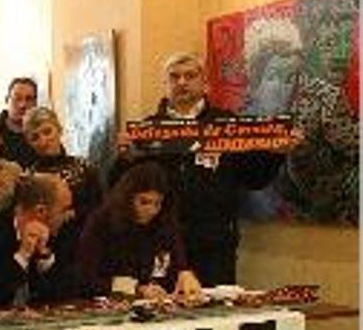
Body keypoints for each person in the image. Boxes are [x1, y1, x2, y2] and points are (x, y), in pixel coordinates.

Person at [110, 52, 289, 285]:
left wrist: (276, 154)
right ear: (166, 85)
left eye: (190, 76)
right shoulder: (147, 131)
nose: (182, 82)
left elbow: (254, 178)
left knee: (213, 314)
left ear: (205, 83)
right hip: (158, 242)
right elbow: (118, 189)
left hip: (214, 244)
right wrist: (124, 158)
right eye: (174, 77)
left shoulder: (226, 125)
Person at [77, 161, 202, 300]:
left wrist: (185, 275)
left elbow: (178, 264)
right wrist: (135, 289)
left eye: (157, 203)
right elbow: (87, 279)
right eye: (144, 202)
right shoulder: (101, 222)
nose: (151, 210)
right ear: (127, 198)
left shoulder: (164, 222)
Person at [0, 174, 81, 308]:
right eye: (64, 209)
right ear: (41, 211)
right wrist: (22, 256)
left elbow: (70, 293)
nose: (71, 215)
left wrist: (45, 258)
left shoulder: (61, 233)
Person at [23, 106, 104, 223]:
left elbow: (101, 207)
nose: (43, 141)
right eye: (35, 137)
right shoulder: (29, 177)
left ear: (59, 130)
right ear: (29, 143)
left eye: (47, 132)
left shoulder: (83, 167)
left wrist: (73, 213)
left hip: (86, 236)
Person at [0, 77, 39, 168]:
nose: (22, 105)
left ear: (35, 103)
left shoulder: (43, 132)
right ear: (7, 100)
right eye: (17, 98)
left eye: (29, 99)